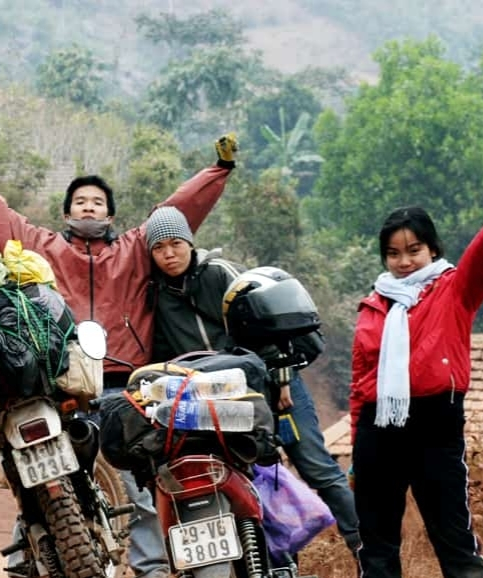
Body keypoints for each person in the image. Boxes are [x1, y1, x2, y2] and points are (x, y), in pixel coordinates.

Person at [0, 133, 240, 578]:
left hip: (123, 380)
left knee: (137, 479)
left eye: (98, 203)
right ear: (67, 212)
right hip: (63, 378)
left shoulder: (137, 249)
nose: (89, 208)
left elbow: (179, 211)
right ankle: (22, 577)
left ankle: (154, 576)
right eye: (80, 202)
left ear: (111, 215)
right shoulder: (42, 247)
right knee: (37, 470)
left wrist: (218, 169)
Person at [143, 206, 360, 554]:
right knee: (255, 481)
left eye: (176, 243)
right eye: (159, 248)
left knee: (316, 467)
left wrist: (282, 376)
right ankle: (278, 572)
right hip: (219, 405)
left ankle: (367, 549)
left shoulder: (218, 273)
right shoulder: (155, 296)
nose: (169, 254)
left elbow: (267, 319)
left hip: (274, 386)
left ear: (190, 241)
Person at [349, 206, 483, 578]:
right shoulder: (374, 305)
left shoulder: (455, 290)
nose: (404, 262)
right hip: (378, 428)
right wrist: (354, 447)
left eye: (414, 250)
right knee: (377, 538)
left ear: (433, 249)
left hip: (435, 427)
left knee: (454, 536)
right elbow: (360, 381)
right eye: (393, 253)